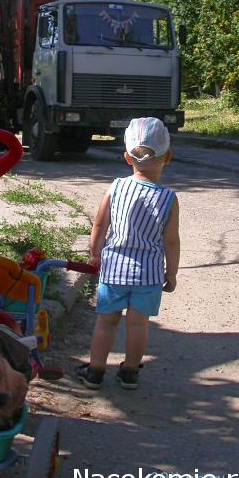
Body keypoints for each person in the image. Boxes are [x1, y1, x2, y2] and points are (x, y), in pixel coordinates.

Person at [77, 117, 180, 390]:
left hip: (113, 269)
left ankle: (96, 371)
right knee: (138, 325)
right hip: (148, 274)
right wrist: (171, 273)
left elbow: (100, 224)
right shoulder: (169, 198)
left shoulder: (116, 187)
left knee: (106, 322)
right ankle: (130, 372)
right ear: (167, 157)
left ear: (127, 157)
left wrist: (95, 254)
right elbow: (171, 241)